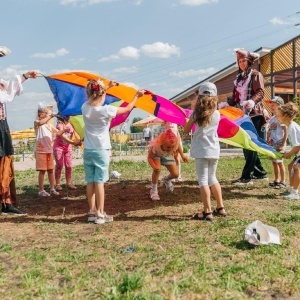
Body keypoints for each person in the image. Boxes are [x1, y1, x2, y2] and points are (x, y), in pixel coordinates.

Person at [82, 79, 145, 224]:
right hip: (101, 150)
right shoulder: (107, 110)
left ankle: (91, 211)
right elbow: (128, 109)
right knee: (100, 182)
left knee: (90, 181)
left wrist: (107, 87)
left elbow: (96, 98)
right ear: (102, 94)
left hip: (88, 151)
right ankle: (100, 213)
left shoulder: (85, 108)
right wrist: (136, 96)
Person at [0, 45, 37, 215]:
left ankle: (7, 202)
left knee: (5, 162)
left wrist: (26, 76)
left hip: (1, 126)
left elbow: (9, 89)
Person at [184, 82, 226, 221]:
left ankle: (207, 212)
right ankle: (220, 207)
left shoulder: (196, 114)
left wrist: (187, 120)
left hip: (201, 150)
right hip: (214, 149)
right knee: (212, 177)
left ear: (200, 97)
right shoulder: (218, 114)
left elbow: (186, 130)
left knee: (203, 180)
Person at [228, 48, 268, 185]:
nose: (242, 63)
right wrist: (230, 102)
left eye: (244, 60)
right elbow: (236, 96)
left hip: (254, 113)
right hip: (242, 114)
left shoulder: (256, 75)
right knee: (245, 143)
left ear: (249, 61)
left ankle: (247, 177)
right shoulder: (239, 78)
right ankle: (260, 172)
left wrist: (251, 101)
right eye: (239, 61)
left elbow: (261, 92)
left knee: (250, 145)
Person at [34, 102, 68, 197]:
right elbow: (41, 122)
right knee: (42, 171)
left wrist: (65, 131)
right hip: (41, 151)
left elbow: (58, 133)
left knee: (50, 170)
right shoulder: (37, 122)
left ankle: (52, 188)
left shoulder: (49, 126)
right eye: (46, 113)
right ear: (41, 113)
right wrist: (50, 116)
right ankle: (41, 190)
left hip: (49, 151)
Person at [148, 129, 189, 201]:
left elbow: (178, 146)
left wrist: (183, 156)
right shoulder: (156, 147)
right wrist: (154, 166)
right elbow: (149, 158)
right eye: (168, 147)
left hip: (166, 156)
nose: (170, 149)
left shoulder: (173, 145)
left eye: (172, 147)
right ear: (162, 143)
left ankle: (166, 179)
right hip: (156, 155)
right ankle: (154, 190)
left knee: (176, 174)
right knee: (158, 170)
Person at [276, 102, 300, 200]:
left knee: (297, 168)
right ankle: (291, 189)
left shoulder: (293, 127)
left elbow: (297, 146)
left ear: (285, 116)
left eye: (278, 115)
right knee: (291, 166)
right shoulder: (290, 127)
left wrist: (289, 154)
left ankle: (295, 192)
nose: (276, 117)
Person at [53, 113, 82, 191]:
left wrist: (79, 140)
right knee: (59, 165)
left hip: (67, 148)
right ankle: (57, 184)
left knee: (69, 165)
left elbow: (76, 134)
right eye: (67, 115)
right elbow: (63, 136)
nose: (69, 117)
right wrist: (73, 143)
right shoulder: (60, 125)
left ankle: (69, 183)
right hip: (59, 147)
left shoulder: (71, 124)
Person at [266, 96, 287, 189]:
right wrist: (269, 138)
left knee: (279, 162)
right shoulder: (273, 118)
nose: (271, 107)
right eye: (271, 105)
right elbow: (270, 130)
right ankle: (276, 180)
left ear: (280, 106)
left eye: (273, 105)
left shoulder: (281, 118)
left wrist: (283, 144)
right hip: (273, 143)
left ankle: (283, 181)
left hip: (279, 143)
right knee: (274, 162)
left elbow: (286, 131)